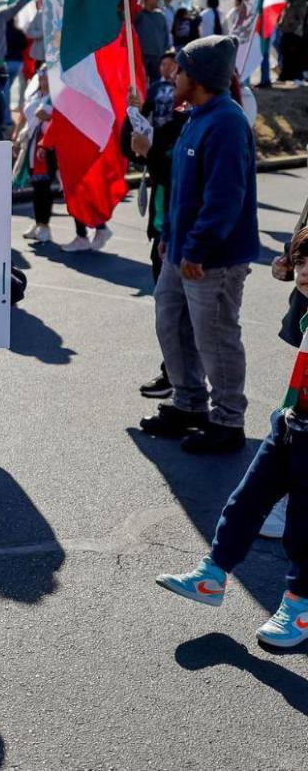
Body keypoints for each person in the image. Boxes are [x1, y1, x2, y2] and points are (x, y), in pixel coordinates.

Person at [154, 226, 308, 649]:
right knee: (246, 500)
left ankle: (299, 605)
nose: (306, 273)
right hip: (290, 422)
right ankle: (213, 574)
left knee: (302, 526)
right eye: (304, 262)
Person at [141, 35, 258, 455]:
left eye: (182, 69)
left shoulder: (226, 121)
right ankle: (189, 403)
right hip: (182, 250)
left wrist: (197, 249)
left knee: (216, 335)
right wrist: (170, 238)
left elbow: (225, 196)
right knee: (170, 321)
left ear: (200, 78)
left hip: (212, 257)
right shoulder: (198, 115)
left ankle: (228, 420)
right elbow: (182, 188)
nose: (174, 74)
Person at [124, 70, 189, 404]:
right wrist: (133, 112)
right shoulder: (175, 123)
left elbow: (184, 178)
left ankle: (188, 390)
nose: (171, 80)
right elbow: (133, 149)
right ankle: (175, 378)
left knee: (182, 318)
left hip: (187, 238)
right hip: (163, 233)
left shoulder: (209, 124)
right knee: (169, 315)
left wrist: (150, 153)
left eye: (178, 73)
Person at [14, 66, 58, 243]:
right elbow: (24, 117)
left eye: (47, 77)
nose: (43, 80)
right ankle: (38, 222)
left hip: (46, 145)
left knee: (44, 187)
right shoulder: (35, 96)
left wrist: (49, 118)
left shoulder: (57, 98)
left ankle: (45, 225)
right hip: (31, 143)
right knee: (36, 187)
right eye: (41, 77)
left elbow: (62, 121)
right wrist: (17, 136)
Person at [276, 0, 308, 82]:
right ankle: (287, 75)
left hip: (293, 31)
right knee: (289, 55)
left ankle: (292, 76)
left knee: (292, 55)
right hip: (294, 31)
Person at [137, 0, 174, 85]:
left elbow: (165, 33)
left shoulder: (161, 15)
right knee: (142, 79)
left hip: (158, 54)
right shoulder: (139, 15)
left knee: (156, 79)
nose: (157, 1)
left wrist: (165, 48)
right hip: (142, 54)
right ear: (146, 0)